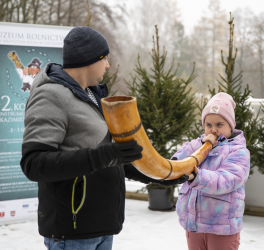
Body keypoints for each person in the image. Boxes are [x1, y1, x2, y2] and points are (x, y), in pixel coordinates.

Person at [20, 26, 188, 250]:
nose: (108, 65)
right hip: (71, 233)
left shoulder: (93, 95)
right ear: (89, 59)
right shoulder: (51, 95)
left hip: (102, 226)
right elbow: (34, 164)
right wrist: (105, 154)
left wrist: (162, 177)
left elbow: (115, 158)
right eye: (104, 58)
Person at [172, 92, 250, 250]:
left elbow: (226, 180)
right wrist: (198, 146)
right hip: (193, 225)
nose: (213, 130)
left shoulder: (238, 152)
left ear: (230, 125)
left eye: (219, 124)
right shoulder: (196, 145)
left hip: (221, 228)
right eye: (208, 125)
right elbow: (178, 161)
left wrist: (197, 177)